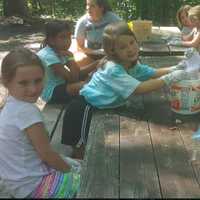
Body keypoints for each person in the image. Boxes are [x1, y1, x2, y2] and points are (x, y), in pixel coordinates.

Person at [0, 48, 81, 198]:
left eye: (38, 81)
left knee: (75, 163)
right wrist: (72, 173)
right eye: (23, 83)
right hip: (35, 187)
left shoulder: (10, 106)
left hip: (17, 185)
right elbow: (47, 154)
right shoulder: (27, 112)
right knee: (88, 178)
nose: (33, 89)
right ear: (6, 82)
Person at [80, 21, 194, 109]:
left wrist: (175, 68)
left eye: (131, 42)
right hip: (88, 107)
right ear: (112, 51)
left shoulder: (130, 63)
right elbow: (139, 89)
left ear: (136, 40)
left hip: (108, 107)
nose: (130, 49)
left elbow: (152, 72)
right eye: (123, 47)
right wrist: (170, 78)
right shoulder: (112, 69)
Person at [37, 19, 98, 105]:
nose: (68, 41)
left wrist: (97, 64)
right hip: (51, 92)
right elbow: (73, 79)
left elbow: (77, 73)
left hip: (63, 84)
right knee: (83, 85)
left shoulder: (60, 51)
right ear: (51, 40)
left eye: (69, 36)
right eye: (62, 37)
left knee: (93, 78)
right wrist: (71, 57)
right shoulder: (48, 56)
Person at [74, 0, 121, 67]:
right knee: (78, 58)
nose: (88, 8)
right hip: (91, 54)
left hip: (110, 53)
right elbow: (79, 47)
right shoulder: (82, 22)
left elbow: (124, 35)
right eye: (87, 5)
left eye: (92, 6)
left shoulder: (113, 18)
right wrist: (96, 52)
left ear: (101, 7)